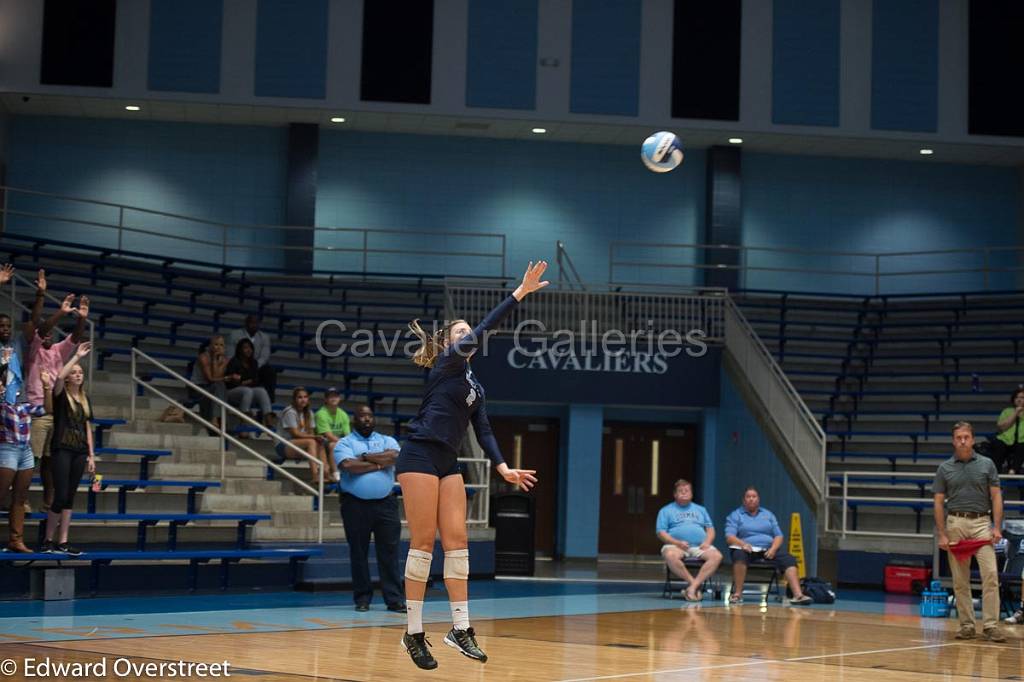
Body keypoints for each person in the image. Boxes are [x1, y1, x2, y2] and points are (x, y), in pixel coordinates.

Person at [396, 261, 546, 670]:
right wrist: (520, 293)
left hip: (447, 461)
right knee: (424, 543)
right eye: (461, 332)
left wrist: (503, 468)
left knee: (458, 545)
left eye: (468, 333)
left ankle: (459, 629)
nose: (468, 336)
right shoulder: (447, 364)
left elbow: (484, 430)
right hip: (419, 455)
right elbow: (485, 327)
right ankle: (413, 632)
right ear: (449, 343)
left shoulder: (476, 385)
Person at [933, 421, 1006, 642]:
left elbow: (996, 496)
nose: (963, 440)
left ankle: (991, 625)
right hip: (956, 523)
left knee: (991, 575)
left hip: (981, 524)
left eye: (966, 437)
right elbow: (937, 502)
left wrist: (996, 527)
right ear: (953, 440)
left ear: (972, 439)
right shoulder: (944, 468)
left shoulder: (987, 464)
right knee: (959, 579)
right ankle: (966, 625)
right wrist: (943, 533)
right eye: (958, 437)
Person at [334, 405, 404, 613]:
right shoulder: (344, 443)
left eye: (370, 416)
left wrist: (364, 457)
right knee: (358, 552)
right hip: (355, 505)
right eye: (362, 416)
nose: (366, 419)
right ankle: (362, 598)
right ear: (354, 420)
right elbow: (349, 467)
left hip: (386, 504)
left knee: (390, 552)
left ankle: (394, 599)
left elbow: (395, 457)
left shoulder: (387, 440)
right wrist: (379, 462)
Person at [25, 291, 88, 512]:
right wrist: (61, 312)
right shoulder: (34, 350)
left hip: (59, 414)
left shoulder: (58, 351)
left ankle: (47, 501)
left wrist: (81, 317)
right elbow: (40, 329)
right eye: (46, 332)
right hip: (39, 412)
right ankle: (21, 499)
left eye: (53, 332)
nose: (49, 334)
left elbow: (76, 338)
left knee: (51, 463)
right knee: (31, 460)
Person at [40, 342, 94, 556]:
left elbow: (87, 426)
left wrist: (91, 455)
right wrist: (77, 357)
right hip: (62, 449)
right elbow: (59, 377)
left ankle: (63, 541)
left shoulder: (85, 399)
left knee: (70, 496)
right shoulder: (61, 396)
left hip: (80, 450)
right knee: (60, 495)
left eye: (81, 372)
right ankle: (47, 540)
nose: (78, 374)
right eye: (75, 372)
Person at [724, 486, 812, 605]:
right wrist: (743, 544)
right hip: (747, 549)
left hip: (768, 549)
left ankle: (798, 595)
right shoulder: (736, 515)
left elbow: (779, 536)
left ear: (758, 499)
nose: (751, 499)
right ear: (743, 500)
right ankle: (737, 594)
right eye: (748, 497)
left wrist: (773, 549)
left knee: (789, 559)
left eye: (754, 496)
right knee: (739, 556)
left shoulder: (768, 514)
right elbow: (730, 537)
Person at [0, 346, 44, 552]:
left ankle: (16, 540)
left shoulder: (25, 404)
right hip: (6, 449)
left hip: (25, 451)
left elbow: (47, 410)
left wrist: (46, 385)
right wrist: (4, 364)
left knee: (20, 497)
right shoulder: (2, 403)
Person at [656, 479, 723, 601]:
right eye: (680, 491)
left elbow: (710, 529)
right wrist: (676, 542)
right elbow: (661, 533)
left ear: (691, 493)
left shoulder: (701, 510)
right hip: (675, 545)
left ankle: (691, 588)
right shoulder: (665, 510)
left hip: (699, 546)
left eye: (687, 491)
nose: (684, 493)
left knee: (717, 556)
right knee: (670, 555)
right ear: (675, 494)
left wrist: (707, 542)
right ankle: (694, 584)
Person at [278, 386, 333, 484]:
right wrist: (314, 437)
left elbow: (311, 432)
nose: (303, 400)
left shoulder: (309, 412)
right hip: (283, 445)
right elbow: (295, 434)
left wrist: (317, 438)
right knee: (311, 441)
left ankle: (326, 473)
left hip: (299, 445)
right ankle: (315, 476)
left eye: (305, 397)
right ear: (294, 399)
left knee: (319, 442)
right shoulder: (290, 411)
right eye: (300, 397)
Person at [225, 338, 275, 430]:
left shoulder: (254, 362)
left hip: (247, 391)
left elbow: (255, 380)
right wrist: (246, 381)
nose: (248, 350)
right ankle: (244, 419)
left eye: (250, 348)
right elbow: (231, 381)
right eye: (245, 348)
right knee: (248, 391)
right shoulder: (234, 362)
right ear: (240, 349)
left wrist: (242, 381)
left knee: (261, 391)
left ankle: (268, 418)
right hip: (232, 392)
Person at [229, 315, 277, 403]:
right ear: (246, 323)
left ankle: (269, 401)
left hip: (256, 367)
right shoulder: (235, 334)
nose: (254, 325)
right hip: (239, 366)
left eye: (256, 323)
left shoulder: (264, 337)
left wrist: (253, 366)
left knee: (269, 371)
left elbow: (264, 357)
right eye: (252, 322)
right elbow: (230, 354)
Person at [190, 335, 231, 432]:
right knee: (220, 385)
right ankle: (219, 420)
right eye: (216, 344)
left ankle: (217, 419)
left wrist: (221, 362)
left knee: (220, 386)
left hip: (213, 387)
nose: (219, 347)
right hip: (198, 387)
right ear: (210, 346)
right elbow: (210, 378)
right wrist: (213, 359)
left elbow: (216, 377)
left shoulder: (224, 359)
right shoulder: (203, 357)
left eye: (221, 345)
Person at [991, 388, 1024, 475]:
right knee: (998, 445)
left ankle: (1013, 470)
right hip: (1006, 440)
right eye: (1017, 397)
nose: (1019, 399)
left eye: (1022, 397)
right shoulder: (1007, 411)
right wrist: (1015, 413)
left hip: (1022, 441)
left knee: (1022, 447)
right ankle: (995, 473)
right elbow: (1001, 427)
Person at [316, 388, 351, 464]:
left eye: (336, 396)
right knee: (333, 445)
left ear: (339, 399)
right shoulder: (321, 414)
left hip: (337, 441)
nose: (334, 398)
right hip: (321, 443)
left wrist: (349, 444)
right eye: (331, 397)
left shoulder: (343, 414)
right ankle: (336, 473)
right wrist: (344, 443)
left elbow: (347, 435)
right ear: (325, 400)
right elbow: (329, 436)